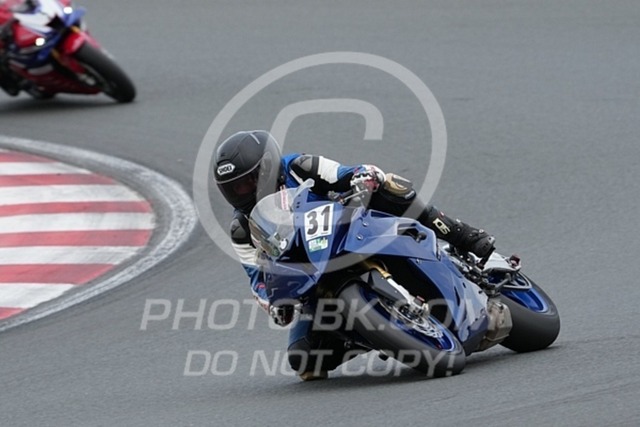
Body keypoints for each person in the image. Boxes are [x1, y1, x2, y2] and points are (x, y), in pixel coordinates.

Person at [214, 130, 495, 380]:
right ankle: (373, 335)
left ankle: (463, 235)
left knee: (391, 186)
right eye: (234, 188)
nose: (243, 192)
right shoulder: (242, 229)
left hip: (354, 230)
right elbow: (257, 281)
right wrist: (275, 303)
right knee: (304, 360)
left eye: (248, 182)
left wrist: (363, 179)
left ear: (267, 167)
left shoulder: (300, 166)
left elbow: (348, 173)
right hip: (313, 276)